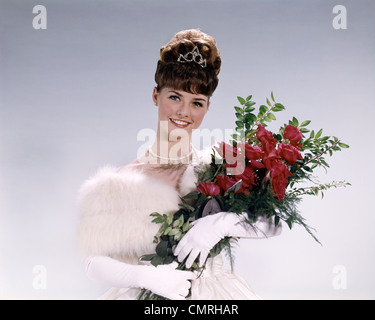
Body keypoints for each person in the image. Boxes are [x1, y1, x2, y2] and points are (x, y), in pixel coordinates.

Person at [77, 29, 281, 300]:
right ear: (155, 96)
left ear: (207, 107)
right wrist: (146, 276)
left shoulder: (221, 164)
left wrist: (222, 223)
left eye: (196, 102)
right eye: (175, 97)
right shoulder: (119, 183)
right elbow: (93, 264)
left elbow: (273, 223)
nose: (184, 112)